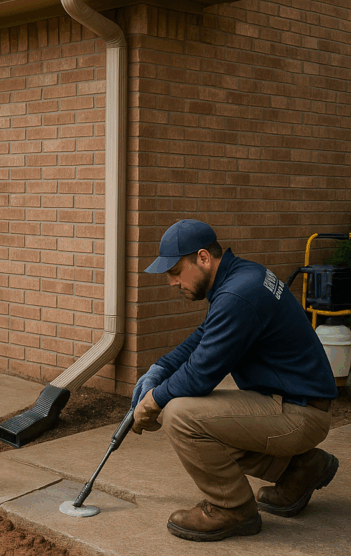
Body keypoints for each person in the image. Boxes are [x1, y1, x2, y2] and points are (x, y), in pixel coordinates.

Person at [133, 219, 339, 542]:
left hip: (300, 412)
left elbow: (200, 375)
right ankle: (300, 469)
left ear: (203, 258)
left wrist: (154, 400)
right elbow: (200, 340)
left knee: (180, 415)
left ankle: (232, 508)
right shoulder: (241, 277)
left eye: (175, 272)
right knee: (201, 414)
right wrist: (158, 370)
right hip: (295, 401)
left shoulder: (238, 295)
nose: (172, 283)